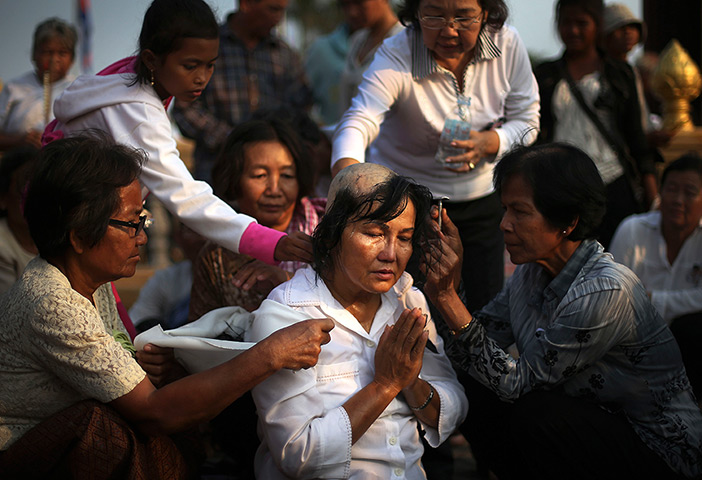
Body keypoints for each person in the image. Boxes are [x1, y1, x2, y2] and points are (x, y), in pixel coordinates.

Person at [0, 134, 333, 478]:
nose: (142, 237)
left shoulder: (90, 281)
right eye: (132, 224)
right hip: (23, 457)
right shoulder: (54, 303)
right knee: (113, 429)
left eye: (143, 223)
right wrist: (269, 354)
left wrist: (149, 363)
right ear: (81, 235)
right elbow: (153, 411)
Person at [422, 142, 702, 479]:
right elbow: (472, 351)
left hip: (659, 450)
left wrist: (449, 300)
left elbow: (516, 384)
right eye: (505, 209)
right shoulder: (530, 273)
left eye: (520, 212)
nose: (504, 224)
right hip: (589, 425)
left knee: (536, 412)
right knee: (473, 387)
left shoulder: (604, 290)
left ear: (567, 221)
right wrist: (449, 287)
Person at [45, 0, 308, 270]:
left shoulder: (129, 76)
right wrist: (269, 241)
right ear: (151, 59)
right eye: (190, 66)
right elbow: (185, 197)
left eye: (210, 65)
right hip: (66, 225)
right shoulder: (140, 112)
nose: (202, 78)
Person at [246, 163, 467, 479]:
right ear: (333, 232)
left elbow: (454, 405)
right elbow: (298, 455)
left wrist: (411, 384)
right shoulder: (288, 313)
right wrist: (385, 385)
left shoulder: (407, 300)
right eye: (375, 233)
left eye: (404, 237)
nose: (391, 253)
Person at [331, 0, 539, 314]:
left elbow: (528, 119)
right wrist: (349, 185)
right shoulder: (396, 52)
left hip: (481, 197)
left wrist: (491, 141)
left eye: (464, 17)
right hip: (411, 204)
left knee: (486, 307)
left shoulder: (506, 44)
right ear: (415, 13)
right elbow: (360, 120)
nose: (449, 30)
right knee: (413, 307)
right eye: (434, 15)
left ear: (486, 13)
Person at [534, 0, 656, 248]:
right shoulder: (546, 75)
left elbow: (636, 138)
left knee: (616, 264)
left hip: (613, 185)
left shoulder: (619, 74)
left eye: (582, 23)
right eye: (566, 23)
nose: (573, 30)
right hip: (562, 187)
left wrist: (653, 197)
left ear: (597, 26)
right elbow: (536, 134)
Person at [189, 117, 325, 320]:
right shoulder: (216, 256)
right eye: (260, 175)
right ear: (234, 180)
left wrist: (287, 283)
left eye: (287, 176)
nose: (274, 190)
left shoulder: (328, 236)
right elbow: (201, 334)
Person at [172, 0, 313, 184]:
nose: (278, 19)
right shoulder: (208, 47)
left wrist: (273, 141)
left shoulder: (285, 55)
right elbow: (185, 109)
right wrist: (233, 139)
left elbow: (302, 108)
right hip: (217, 176)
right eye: (273, 9)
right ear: (246, 4)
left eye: (282, 11)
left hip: (271, 183)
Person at [610, 154, 702, 401]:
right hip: (635, 346)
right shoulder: (632, 230)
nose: (678, 200)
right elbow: (615, 300)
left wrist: (652, 300)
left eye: (690, 192)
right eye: (670, 190)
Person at [0, 18, 76, 151]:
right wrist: (20, 140)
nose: (54, 60)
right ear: (34, 54)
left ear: (72, 59)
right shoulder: (14, 88)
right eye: (47, 52)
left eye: (62, 53)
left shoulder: (77, 88)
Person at [129, 224, 207, 332]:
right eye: (192, 231)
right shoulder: (166, 279)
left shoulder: (234, 280)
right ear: (178, 237)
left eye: (208, 230)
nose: (203, 238)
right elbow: (136, 322)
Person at [338, 0, 404, 116]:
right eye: (345, 5)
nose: (352, 12)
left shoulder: (404, 42)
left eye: (360, 3)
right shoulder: (357, 41)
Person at [0, 146, 39, 294]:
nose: (34, 203)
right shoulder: (3, 247)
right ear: (3, 198)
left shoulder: (52, 241)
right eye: (24, 193)